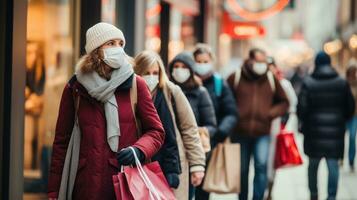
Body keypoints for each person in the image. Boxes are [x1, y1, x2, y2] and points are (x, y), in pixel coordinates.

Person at [48, 23, 165, 200]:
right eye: (110, 43)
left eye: (120, 44)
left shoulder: (136, 84)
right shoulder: (75, 87)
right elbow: (61, 143)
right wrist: (54, 191)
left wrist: (138, 150)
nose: (117, 49)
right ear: (96, 50)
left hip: (125, 182)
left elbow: (156, 131)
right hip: (84, 185)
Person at [134, 50, 206, 200]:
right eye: (146, 72)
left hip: (172, 163)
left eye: (155, 72)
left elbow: (189, 128)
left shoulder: (171, 91)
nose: (151, 77)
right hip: (140, 162)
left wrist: (197, 164)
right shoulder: (130, 94)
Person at [227, 48, 289, 200]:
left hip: (262, 133)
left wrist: (270, 113)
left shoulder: (270, 78)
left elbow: (284, 102)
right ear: (250, 60)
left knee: (261, 166)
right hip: (239, 132)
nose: (262, 64)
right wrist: (235, 114)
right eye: (258, 61)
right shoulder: (236, 76)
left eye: (264, 61)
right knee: (242, 170)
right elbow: (225, 100)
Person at [297, 51, 355, 200]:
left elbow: (301, 109)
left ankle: (314, 194)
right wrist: (341, 120)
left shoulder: (308, 82)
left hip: (313, 132)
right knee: (333, 165)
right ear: (330, 63)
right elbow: (350, 108)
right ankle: (331, 196)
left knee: (313, 166)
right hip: (335, 133)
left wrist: (304, 123)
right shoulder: (342, 83)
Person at [168, 52, 217, 199]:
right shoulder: (166, 90)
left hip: (190, 152)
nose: (180, 70)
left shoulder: (200, 92)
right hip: (169, 152)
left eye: (184, 67)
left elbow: (211, 124)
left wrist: (196, 133)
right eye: (176, 66)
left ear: (191, 70)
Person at [192, 43, 238, 200]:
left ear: (212, 61)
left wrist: (220, 132)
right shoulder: (184, 82)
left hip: (209, 142)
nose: (202, 65)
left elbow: (231, 112)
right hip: (186, 140)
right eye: (199, 61)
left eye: (205, 61)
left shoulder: (219, 84)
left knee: (203, 185)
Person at [266, 57, 298, 200]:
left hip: (276, 128)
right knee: (261, 162)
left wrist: (284, 121)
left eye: (271, 66)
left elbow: (291, 104)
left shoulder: (284, 84)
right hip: (259, 129)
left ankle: (269, 190)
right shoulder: (258, 84)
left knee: (272, 161)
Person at [346, 63, 357, 172]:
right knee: (341, 136)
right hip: (344, 115)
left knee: (352, 137)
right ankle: (339, 157)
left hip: (354, 115)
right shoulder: (344, 84)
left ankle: (351, 160)